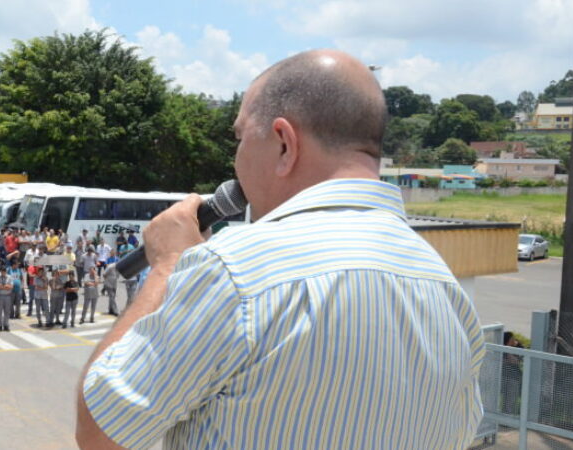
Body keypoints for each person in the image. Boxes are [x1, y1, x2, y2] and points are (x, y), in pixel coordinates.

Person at [76, 50, 484, 449]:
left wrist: (166, 265)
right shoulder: (444, 285)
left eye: (239, 138)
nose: (235, 159)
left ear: (285, 143)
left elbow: (100, 433)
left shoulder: (235, 269)